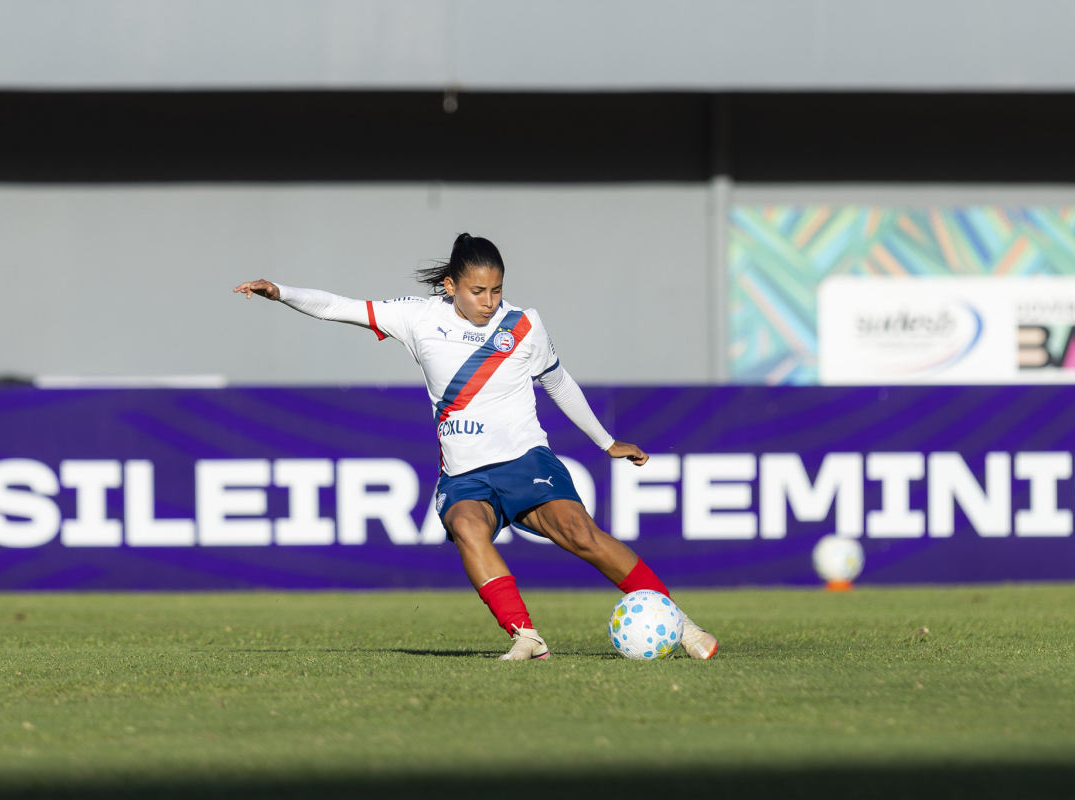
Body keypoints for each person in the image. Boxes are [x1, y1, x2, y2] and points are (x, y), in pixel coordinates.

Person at [233, 233, 718, 661]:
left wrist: (606, 442)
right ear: (451, 286)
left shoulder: (524, 325)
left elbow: (558, 382)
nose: (489, 301)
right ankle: (526, 637)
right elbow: (338, 306)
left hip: (524, 459)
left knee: (580, 534)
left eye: (497, 290)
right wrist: (281, 292)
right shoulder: (416, 317)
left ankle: (682, 625)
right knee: (466, 525)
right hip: (464, 474)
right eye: (477, 291)